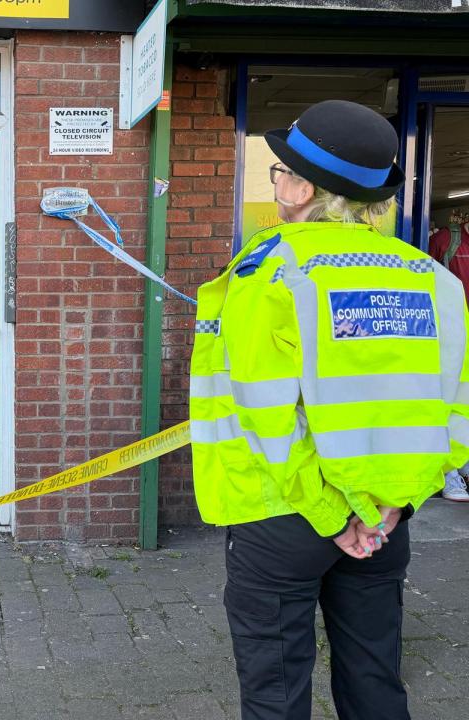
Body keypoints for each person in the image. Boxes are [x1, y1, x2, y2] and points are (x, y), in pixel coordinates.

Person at [189, 99, 469, 720]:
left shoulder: (272, 272)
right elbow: (455, 412)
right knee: (375, 680)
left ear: (303, 188)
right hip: (384, 519)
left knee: (277, 691)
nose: (276, 183)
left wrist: (331, 517)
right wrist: (399, 505)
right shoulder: (435, 280)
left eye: (280, 171)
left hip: (284, 514)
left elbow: (264, 415)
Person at [428, 217, 469, 501]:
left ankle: (462, 462)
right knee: (446, 398)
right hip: (451, 332)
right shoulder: (444, 240)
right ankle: (448, 472)